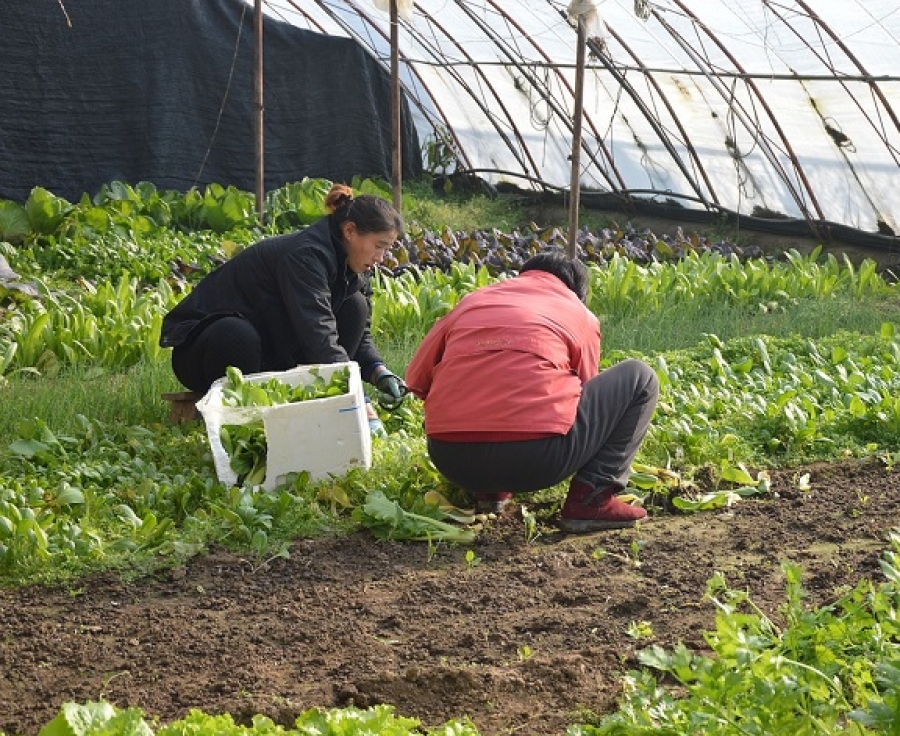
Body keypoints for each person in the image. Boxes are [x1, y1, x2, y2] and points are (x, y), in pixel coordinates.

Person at [403, 249, 659, 533]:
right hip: (538, 461)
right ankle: (591, 500)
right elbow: (586, 392)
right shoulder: (577, 312)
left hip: (451, 458)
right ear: (577, 291)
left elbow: (415, 379)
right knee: (641, 377)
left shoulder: (472, 302)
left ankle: (489, 492)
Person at [159, 184, 408, 422]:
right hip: (203, 351)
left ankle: (315, 403)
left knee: (355, 306)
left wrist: (378, 371)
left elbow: (360, 333)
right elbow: (318, 334)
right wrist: (358, 400)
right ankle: (239, 416)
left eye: (386, 249)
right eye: (379, 246)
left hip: (270, 346)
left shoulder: (356, 264)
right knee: (237, 334)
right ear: (350, 231)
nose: (381, 258)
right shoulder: (305, 257)